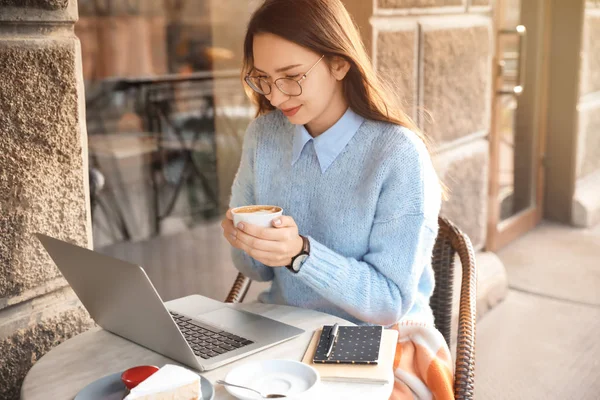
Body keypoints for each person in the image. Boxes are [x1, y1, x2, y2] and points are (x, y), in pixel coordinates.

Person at [221, 1, 454, 398]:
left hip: (379, 339)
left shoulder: (397, 155)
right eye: (263, 78)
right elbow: (256, 273)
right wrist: (247, 243)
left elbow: (389, 304)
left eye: (292, 77)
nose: (276, 97)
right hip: (286, 329)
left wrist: (300, 255)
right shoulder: (264, 136)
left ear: (339, 64)